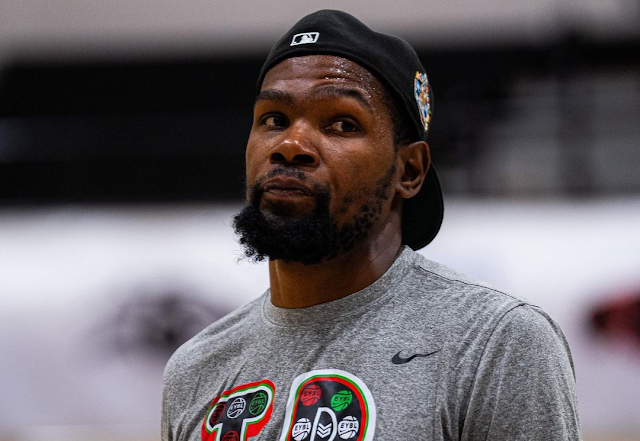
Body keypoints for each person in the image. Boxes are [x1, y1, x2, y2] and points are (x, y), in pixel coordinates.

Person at [162, 10, 581, 441]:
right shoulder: (196, 368)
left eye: (341, 124)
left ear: (410, 170)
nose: (291, 145)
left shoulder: (494, 341)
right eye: (274, 119)